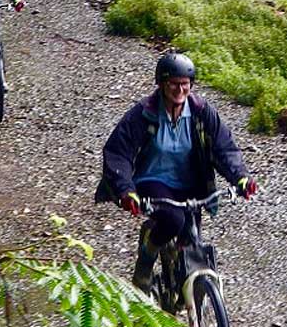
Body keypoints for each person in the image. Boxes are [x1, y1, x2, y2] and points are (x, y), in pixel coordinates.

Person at [96, 52, 257, 291]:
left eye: (185, 84)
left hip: (191, 184)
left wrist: (241, 178)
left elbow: (224, 147)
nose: (180, 89)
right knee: (173, 219)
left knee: (191, 242)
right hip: (153, 180)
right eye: (174, 83)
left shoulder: (202, 111)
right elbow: (118, 152)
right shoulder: (144, 113)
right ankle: (146, 257)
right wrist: (126, 191)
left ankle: (182, 293)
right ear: (161, 83)